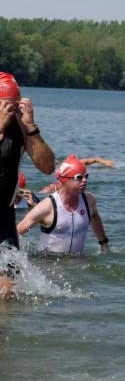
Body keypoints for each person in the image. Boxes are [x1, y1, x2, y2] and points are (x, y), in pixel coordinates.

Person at [0, 72, 55, 299]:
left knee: (6, 294)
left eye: (15, 106)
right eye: (6, 106)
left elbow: (48, 167)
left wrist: (31, 127)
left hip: (3, 215)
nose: (11, 112)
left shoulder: (22, 127)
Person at [16, 155, 110, 255]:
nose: (85, 180)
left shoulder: (89, 200)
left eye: (86, 176)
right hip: (48, 262)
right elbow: (17, 231)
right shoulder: (47, 207)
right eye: (79, 177)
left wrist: (103, 243)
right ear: (65, 180)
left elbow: (94, 217)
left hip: (78, 261)